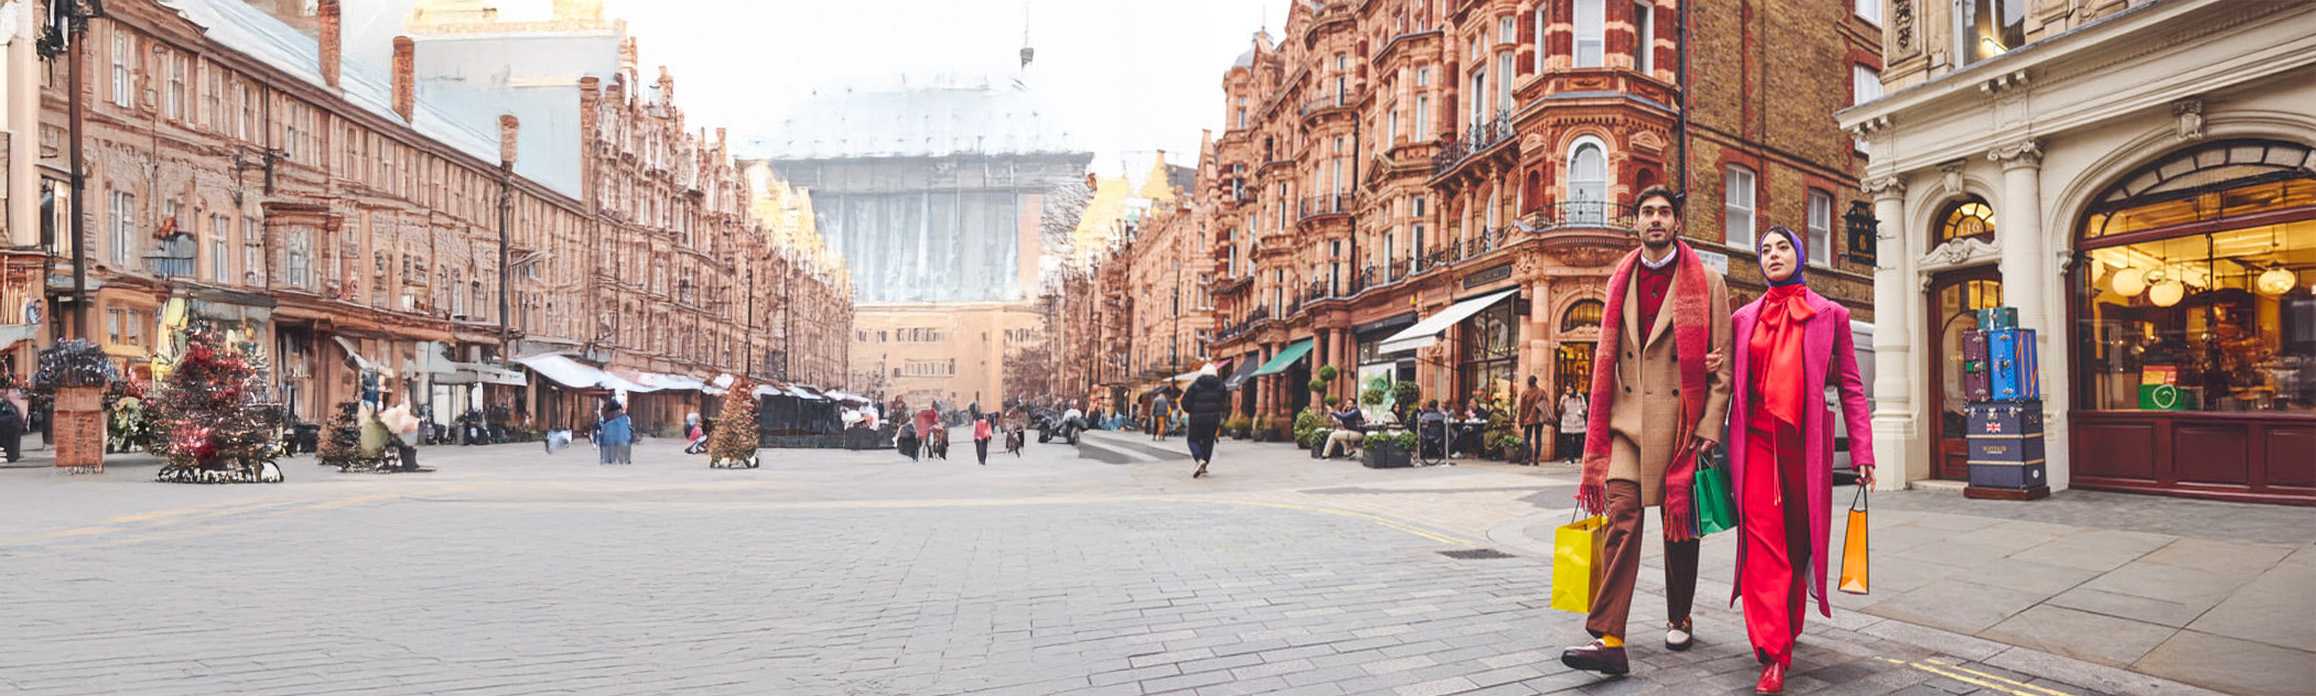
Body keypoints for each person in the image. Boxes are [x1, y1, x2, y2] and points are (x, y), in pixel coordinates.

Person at [1561, 185, 1734, 678]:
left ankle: (1679, 614)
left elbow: (1722, 369)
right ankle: (1610, 637)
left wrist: (1709, 428)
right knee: (1622, 521)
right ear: (1634, 223)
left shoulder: (1709, 282)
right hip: (1626, 425)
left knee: (1680, 529)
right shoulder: (1620, 278)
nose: (1655, 220)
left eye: (1664, 212)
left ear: (1677, 222)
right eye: (1646, 213)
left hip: (1680, 425)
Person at [1727, 226, 1876, 693]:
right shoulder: (1742, 318)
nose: (1772, 255)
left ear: (1800, 254)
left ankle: (1785, 624)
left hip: (1803, 449)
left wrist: (1863, 450)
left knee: (1797, 543)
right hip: (1755, 445)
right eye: (1764, 250)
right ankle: (1773, 651)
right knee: (1763, 545)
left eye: (1781, 247)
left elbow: (1851, 385)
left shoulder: (1831, 315)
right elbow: (1728, 380)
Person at [1179, 365, 1230, 477]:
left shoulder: (1194, 386)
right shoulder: (1221, 386)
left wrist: (1190, 410)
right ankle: (1205, 462)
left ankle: (1199, 458)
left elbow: (1185, 403)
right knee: (1208, 440)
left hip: (1197, 418)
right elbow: (1224, 403)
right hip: (1213, 418)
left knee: (1192, 439)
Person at [1518, 376, 1552, 466]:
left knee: (1527, 438)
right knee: (1538, 438)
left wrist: (1521, 421)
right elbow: (1546, 404)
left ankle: (1526, 458)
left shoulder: (1525, 393)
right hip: (1538, 418)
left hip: (1528, 419)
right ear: (1536, 382)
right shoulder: (1541, 392)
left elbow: (1522, 409)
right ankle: (1536, 459)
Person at [597, 401, 636, 465]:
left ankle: (606, 458)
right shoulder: (625, 419)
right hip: (623, 445)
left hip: (609, 446)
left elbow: (601, 433)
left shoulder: (605, 421)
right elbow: (629, 431)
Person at [1559, 387, 1589, 464]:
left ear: (1573, 389)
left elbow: (1585, 408)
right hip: (1567, 421)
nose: (1567, 391)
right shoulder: (1564, 397)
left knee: (1579, 440)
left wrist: (1580, 413)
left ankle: (1580, 457)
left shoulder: (1580, 397)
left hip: (1578, 421)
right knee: (1568, 441)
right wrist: (1563, 402)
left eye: (1569, 389)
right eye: (1566, 390)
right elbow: (1560, 410)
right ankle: (1570, 458)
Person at [0, 390, 23, 463]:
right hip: (9, 423)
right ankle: (12, 456)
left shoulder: (10, 404)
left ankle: (12, 456)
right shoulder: (9, 404)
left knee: (10, 441)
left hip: (10, 423)